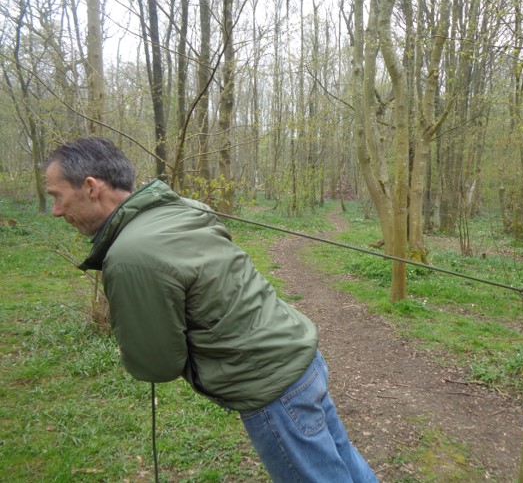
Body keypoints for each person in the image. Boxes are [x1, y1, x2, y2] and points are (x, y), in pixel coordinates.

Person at [44, 136, 377, 483]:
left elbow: (156, 364)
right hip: (299, 353)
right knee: (346, 463)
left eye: (57, 196)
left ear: (91, 187)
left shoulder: (131, 255)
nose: (56, 210)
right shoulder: (184, 208)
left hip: (272, 384)